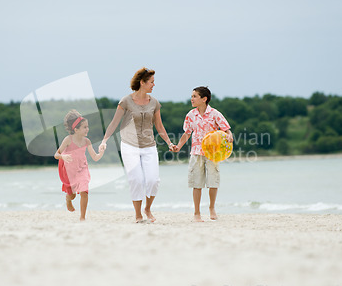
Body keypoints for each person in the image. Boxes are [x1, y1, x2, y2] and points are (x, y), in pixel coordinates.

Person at [99, 67, 174, 223]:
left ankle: (147, 208)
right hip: (129, 145)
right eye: (151, 82)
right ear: (142, 82)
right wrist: (104, 141)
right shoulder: (126, 101)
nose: (154, 85)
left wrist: (169, 142)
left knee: (153, 180)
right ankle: (138, 213)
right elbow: (114, 123)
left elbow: (159, 126)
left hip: (149, 146)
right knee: (136, 179)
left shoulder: (154, 102)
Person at [171, 86, 233, 222]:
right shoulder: (190, 115)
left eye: (195, 96)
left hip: (213, 153)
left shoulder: (215, 114)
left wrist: (229, 136)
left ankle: (211, 208)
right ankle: (197, 213)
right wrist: (178, 147)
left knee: (213, 181)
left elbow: (227, 129)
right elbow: (187, 134)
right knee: (196, 183)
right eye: (192, 96)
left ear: (204, 99)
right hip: (196, 152)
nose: (192, 98)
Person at [55, 110, 104, 221]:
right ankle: (68, 199)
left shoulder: (87, 141)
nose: (87, 129)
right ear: (76, 130)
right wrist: (63, 157)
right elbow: (56, 154)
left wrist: (101, 152)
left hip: (82, 169)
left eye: (87, 126)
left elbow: (95, 158)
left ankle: (82, 217)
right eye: (84, 127)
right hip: (69, 171)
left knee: (84, 192)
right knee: (72, 195)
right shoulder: (68, 140)